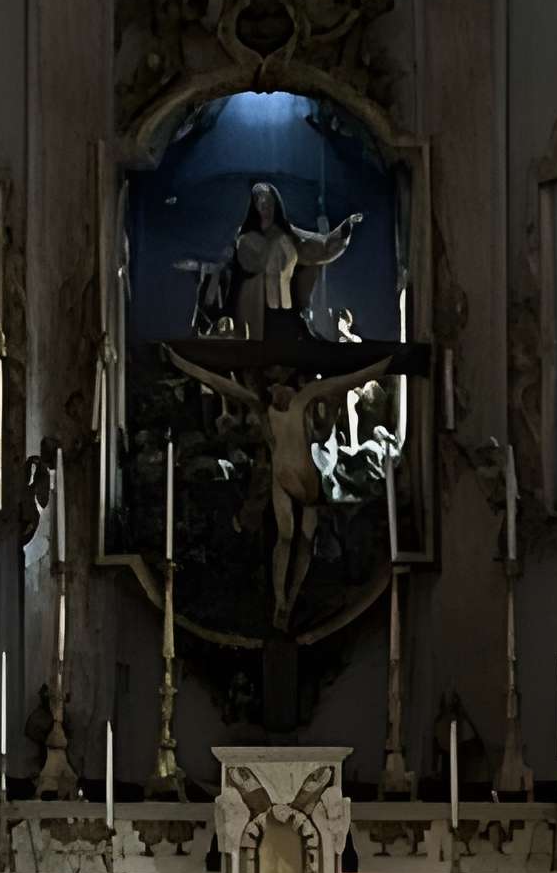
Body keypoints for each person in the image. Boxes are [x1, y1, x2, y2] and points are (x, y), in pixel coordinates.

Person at [165, 345, 394, 630]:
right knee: (285, 538)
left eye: (283, 386)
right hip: (282, 480)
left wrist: (381, 367)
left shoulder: (304, 401)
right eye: (275, 387)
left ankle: (292, 595)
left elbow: (344, 382)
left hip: (306, 479)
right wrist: (183, 364)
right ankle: (281, 602)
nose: (280, 391)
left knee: (305, 540)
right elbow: (221, 384)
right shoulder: (264, 409)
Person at [229, 180, 360, 338]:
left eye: (269, 203)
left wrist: (344, 230)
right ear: (255, 206)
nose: (266, 208)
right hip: (257, 311)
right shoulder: (246, 238)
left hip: (287, 309)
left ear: (275, 205)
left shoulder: (287, 234)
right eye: (261, 203)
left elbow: (317, 247)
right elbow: (250, 263)